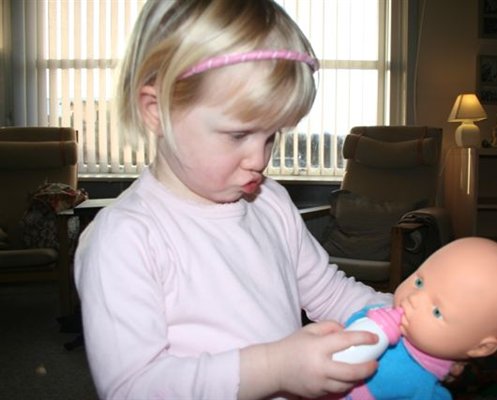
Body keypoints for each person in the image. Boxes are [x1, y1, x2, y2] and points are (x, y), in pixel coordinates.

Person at [73, 1, 393, 399]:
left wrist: (402, 317)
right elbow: (133, 388)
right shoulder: (124, 238)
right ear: (157, 111)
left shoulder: (270, 201)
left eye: (272, 135)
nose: (259, 159)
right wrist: (274, 368)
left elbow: (329, 292)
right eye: (239, 135)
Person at [336, 237, 497, 399]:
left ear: (480, 348)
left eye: (437, 312)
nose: (413, 299)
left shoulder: (424, 387)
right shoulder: (377, 314)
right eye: (419, 282)